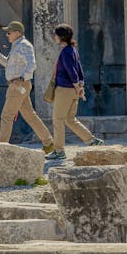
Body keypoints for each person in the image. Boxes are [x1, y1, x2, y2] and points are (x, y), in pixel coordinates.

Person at [0, 20, 54, 156]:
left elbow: (32, 64)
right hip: (18, 85)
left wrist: (21, 79)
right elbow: (8, 64)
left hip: (18, 85)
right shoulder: (17, 46)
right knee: (30, 115)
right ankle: (49, 143)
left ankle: (1, 148)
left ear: (18, 33)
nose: (7, 35)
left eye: (9, 32)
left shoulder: (24, 45)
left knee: (6, 115)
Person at [46, 24, 104, 161]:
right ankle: (91, 140)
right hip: (72, 90)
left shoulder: (66, 51)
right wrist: (80, 85)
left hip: (65, 90)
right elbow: (79, 69)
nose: (54, 36)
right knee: (70, 119)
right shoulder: (73, 50)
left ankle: (59, 151)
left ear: (61, 37)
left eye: (55, 34)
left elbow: (71, 71)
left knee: (58, 119)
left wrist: (77, 86)